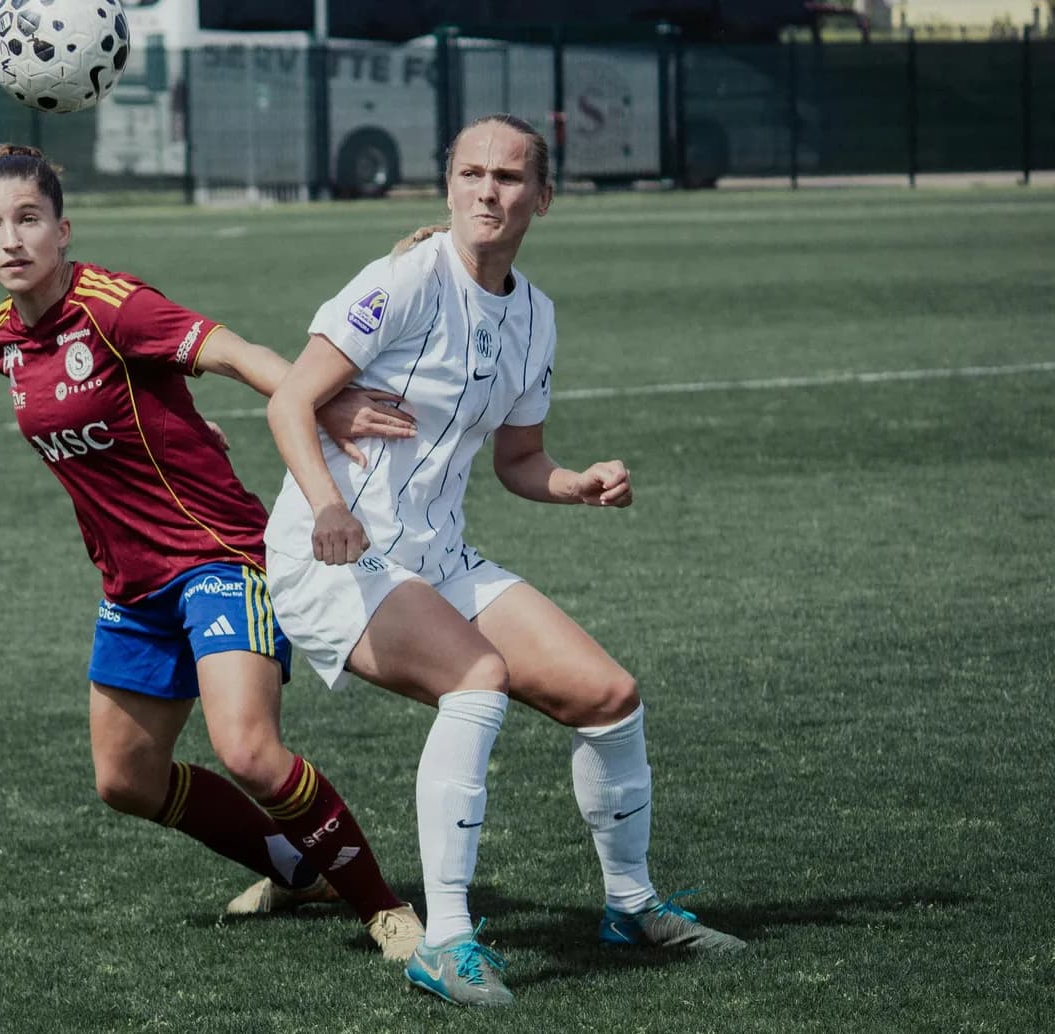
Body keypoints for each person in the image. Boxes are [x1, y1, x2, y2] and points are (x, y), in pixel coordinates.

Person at [264, 114, 744, 1008]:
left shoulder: (534, 316)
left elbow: (520, 461)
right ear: (446, 187)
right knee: (476, 678)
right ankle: (445, 939)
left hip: (437, 556)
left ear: (543, 199)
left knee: (608, 695)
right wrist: (328, 508)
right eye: (472, 173)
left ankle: (631, 905)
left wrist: (580, 484)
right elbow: (291, 402)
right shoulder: (405, 279)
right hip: (331, 556)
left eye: (510, 178)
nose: (489, 191)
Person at [0, 143, 428, 961]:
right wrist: (176, 428)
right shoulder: (4, 341)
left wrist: (320, 406)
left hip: (215, 557)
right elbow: (119, 417)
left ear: (62, 230)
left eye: (28, 220)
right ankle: (297, 868)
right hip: (132, 584)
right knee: (126, 783)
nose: (11, 239)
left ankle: (383, 907)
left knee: (247, 749)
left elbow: (237, 353)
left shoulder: (114, 306)